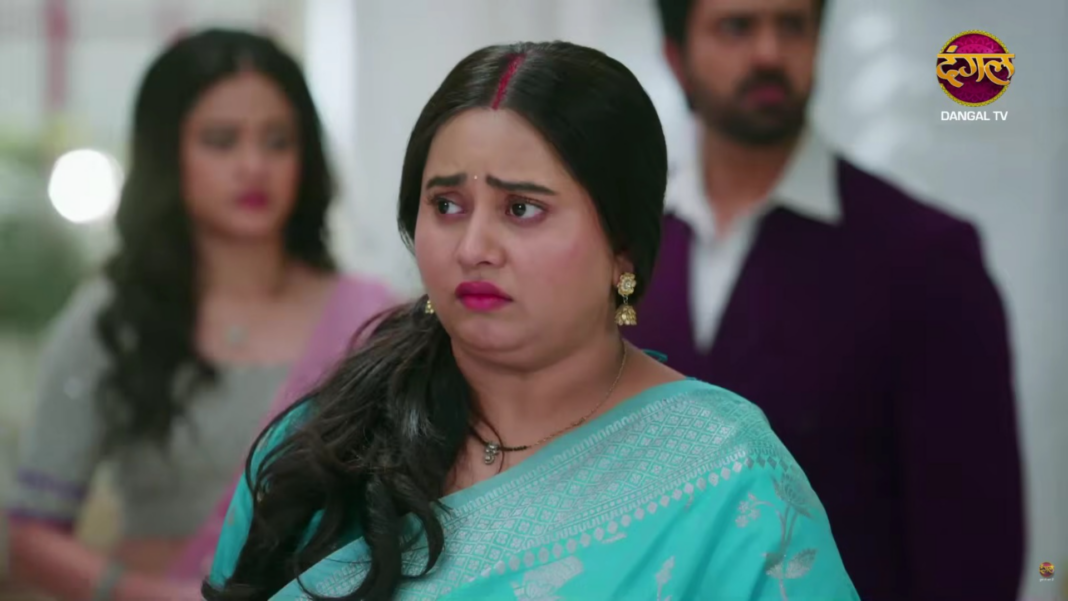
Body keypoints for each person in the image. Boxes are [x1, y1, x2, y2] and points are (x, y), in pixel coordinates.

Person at [204, 40, 859, 601]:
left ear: (623, 246)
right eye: (447, 205)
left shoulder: (727, 478)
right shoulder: (324, 448)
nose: (473, 248)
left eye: (522, 209)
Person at [626, 0, 1026, 599]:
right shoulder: (625, 247)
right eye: (737, 27)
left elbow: (974, 552)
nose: (769, 53)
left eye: (792, 25)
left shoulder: (925, 258)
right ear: (675, 57)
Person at [5, 29, 397, 601]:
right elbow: (29, 535)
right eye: (221, 141)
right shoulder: (115, 321)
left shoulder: (372, 319)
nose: (253, 166)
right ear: (168, 154)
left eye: (277, 141)